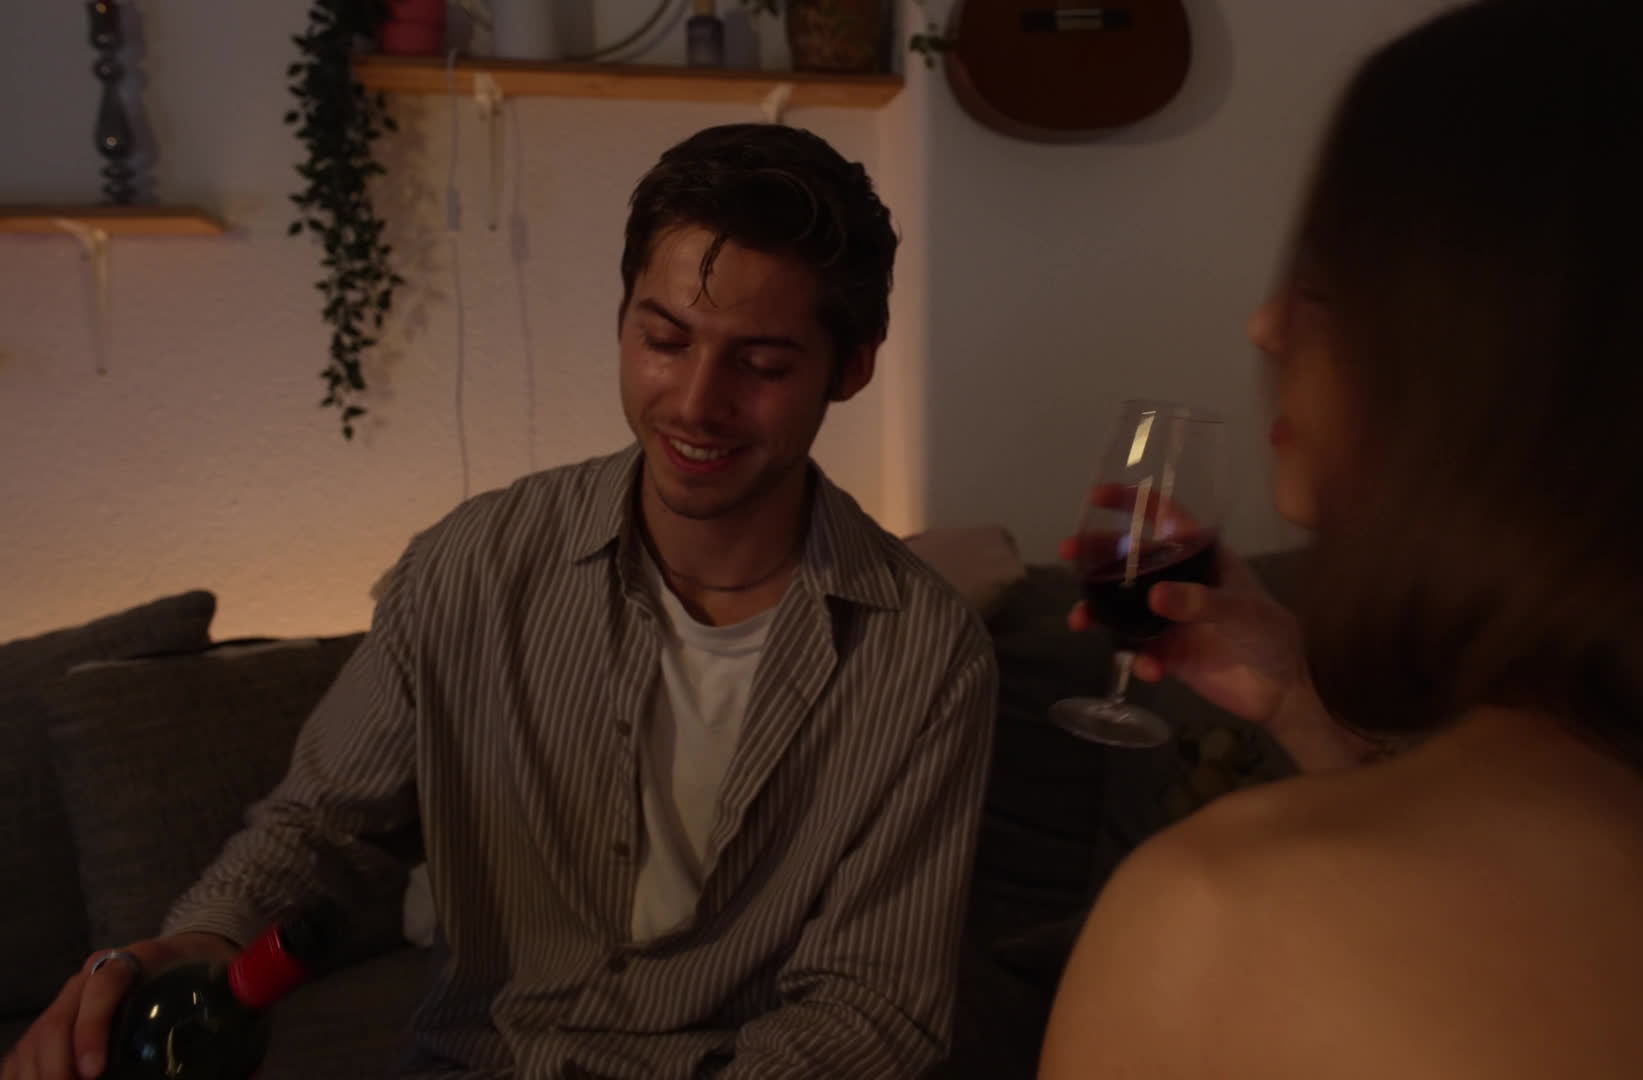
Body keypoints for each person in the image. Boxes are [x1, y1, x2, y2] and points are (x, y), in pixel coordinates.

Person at [3, 123, 997, 1080]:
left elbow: (871, 1009)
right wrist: (199, 941)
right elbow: (318, 827)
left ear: (851, 367)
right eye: (665, 339)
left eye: (762, 363)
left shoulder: (923, 654)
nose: (697, 401)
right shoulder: (472, 565)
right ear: (622, 321)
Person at [1039, 0, 1643, 1075]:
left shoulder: (1233, 917)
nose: (1266, 328)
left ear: (1525, 354)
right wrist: (1305, 709)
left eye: (1326, 282)